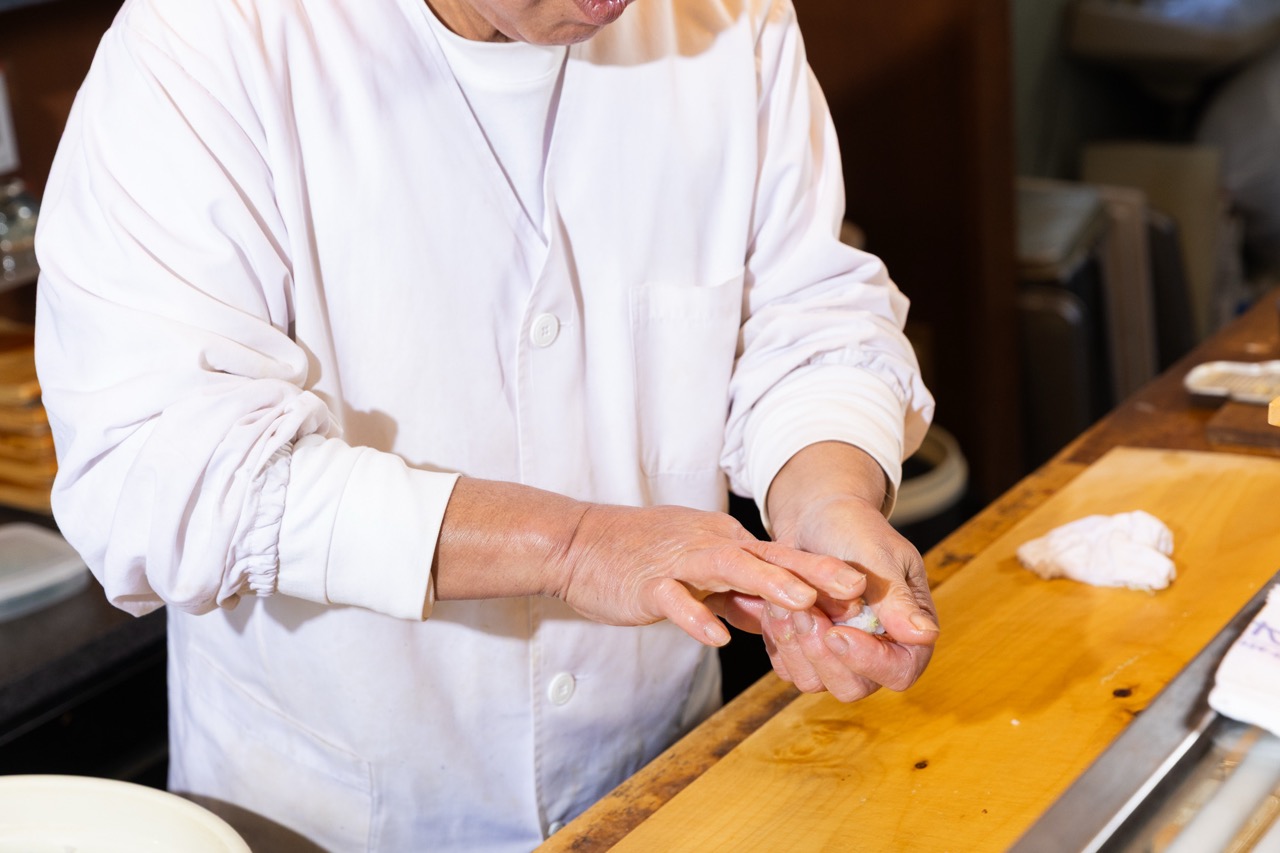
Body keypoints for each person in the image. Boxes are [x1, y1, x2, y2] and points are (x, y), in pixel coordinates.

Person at [33, 0, 938, 849]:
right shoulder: (207, 38)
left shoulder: (733, 16)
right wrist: (572, 546)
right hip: (334, 818)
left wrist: (828, 504)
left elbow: (804, 317)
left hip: (660, 778)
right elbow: (161, 470)